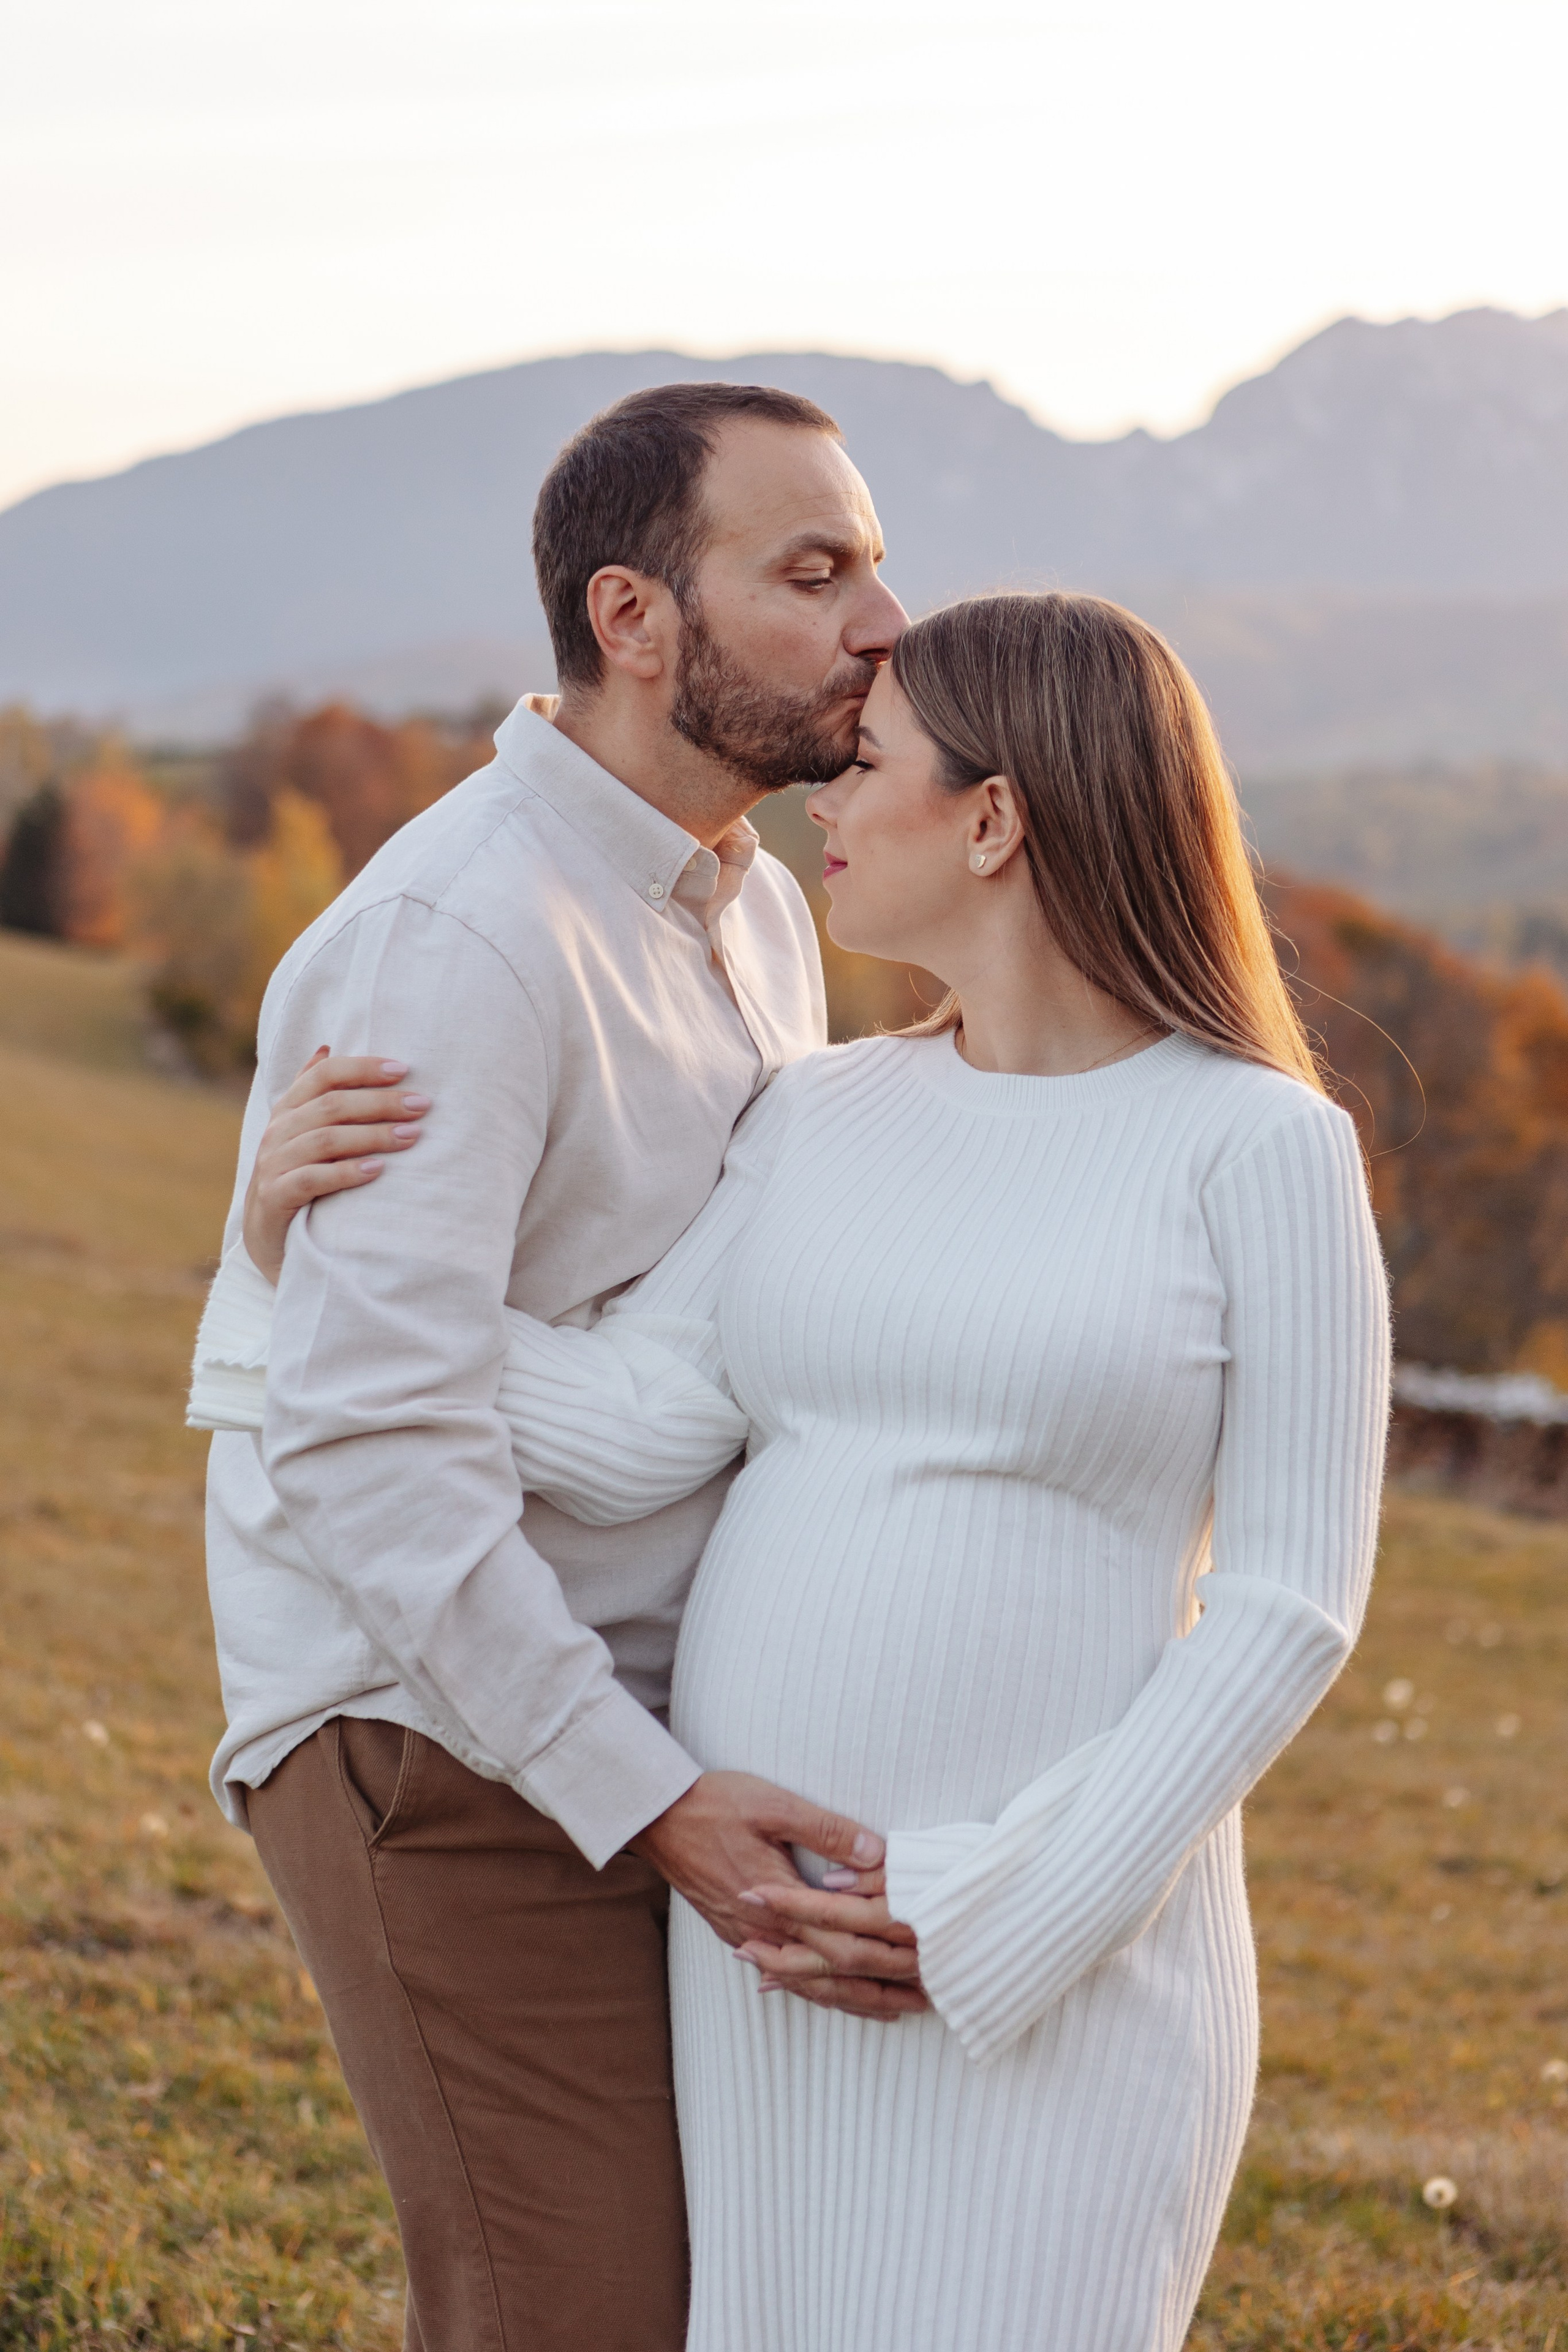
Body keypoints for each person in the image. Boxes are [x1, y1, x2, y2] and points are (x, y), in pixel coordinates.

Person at [197, 589, 1391, 2351]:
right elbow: (633, 1421)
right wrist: (298, 1264)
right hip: (767, 1952)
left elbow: (1292, 1607)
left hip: (1044, 1963)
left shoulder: (1260, 1146)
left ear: (993, 819)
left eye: (872, 764)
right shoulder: (823, 1113)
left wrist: (993, 1913)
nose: (821, 796)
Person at [188, 379, 911, 2352]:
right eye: (815, 569)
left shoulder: (758, 909)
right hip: (440, 1737)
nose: (882, 625)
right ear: (632, 619)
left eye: (875, 563)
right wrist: (652, 1798)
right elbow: (366, 1450)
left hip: (622, 1728)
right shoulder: (467, 933)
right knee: (569, 2313)